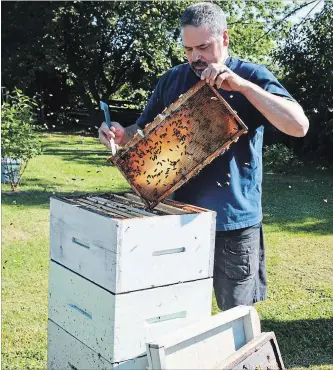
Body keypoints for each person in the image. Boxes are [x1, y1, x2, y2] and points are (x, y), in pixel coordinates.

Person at [99, 2, 309, 311]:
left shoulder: (251, 75)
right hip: (176, 217)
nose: (195, 57)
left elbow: (299, 125)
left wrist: (242, 87)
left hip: (233, 222)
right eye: (188, 49)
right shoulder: (172, 80)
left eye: (203, 47)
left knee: (235, 316)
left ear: (224, 38)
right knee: (174, 312)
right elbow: (141, 132)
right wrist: (120, 134)